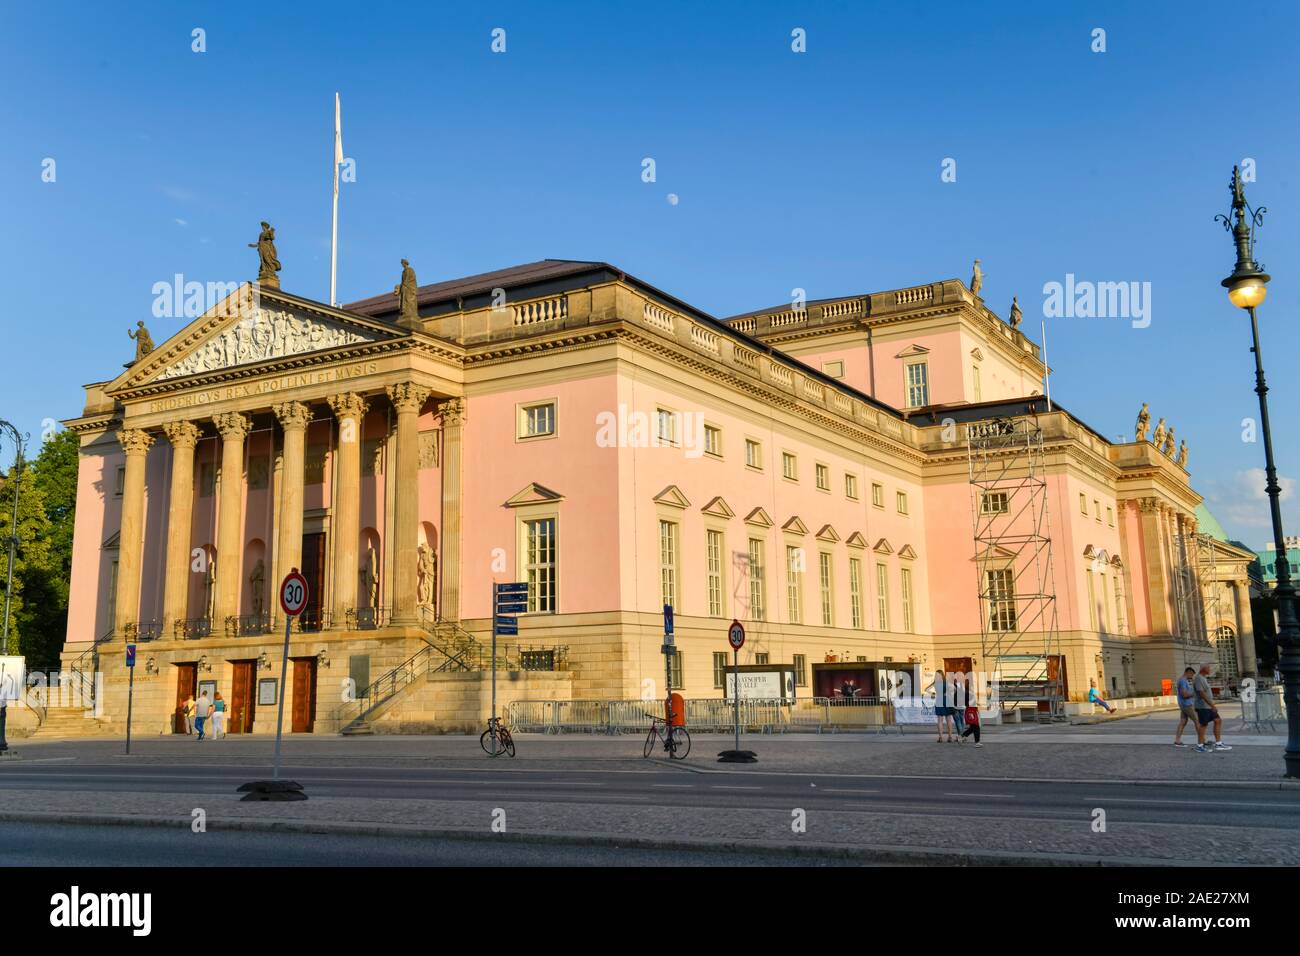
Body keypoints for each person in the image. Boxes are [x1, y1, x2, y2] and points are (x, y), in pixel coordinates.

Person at [1193, 664, 1232, 752]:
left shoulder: (1203, 678)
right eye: (1208, 668)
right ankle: (1200, 745)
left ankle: (1218, 743)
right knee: (1203, 725)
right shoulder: (1199, 678)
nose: (1210, 669)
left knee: (1218, 720)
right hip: (1203, 706)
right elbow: (1201, 693)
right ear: (1203, 669)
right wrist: (1212, 705)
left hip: (1208, 706)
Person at [929, 670, 956, 742]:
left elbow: (927, 689)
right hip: (947, 700)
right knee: (949, 720)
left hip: (939, 699)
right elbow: (954, 689)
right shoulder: (946, 683)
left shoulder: (935, 683)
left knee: (940, 720)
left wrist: (934, 694)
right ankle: (950, 737)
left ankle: (940, 737)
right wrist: (949, 693)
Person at [1174, 666, 1198, 747]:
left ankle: (1177, 741)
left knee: (1183, 722)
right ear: (1188, 672)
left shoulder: (1182, 680)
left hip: (1183, 704)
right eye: (1191, 675)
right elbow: (1184, 694)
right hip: (1187, 704)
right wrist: (1194, 694)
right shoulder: (1183, 681)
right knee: (1197, 721)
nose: (1192, 677)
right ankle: (1202, 740)